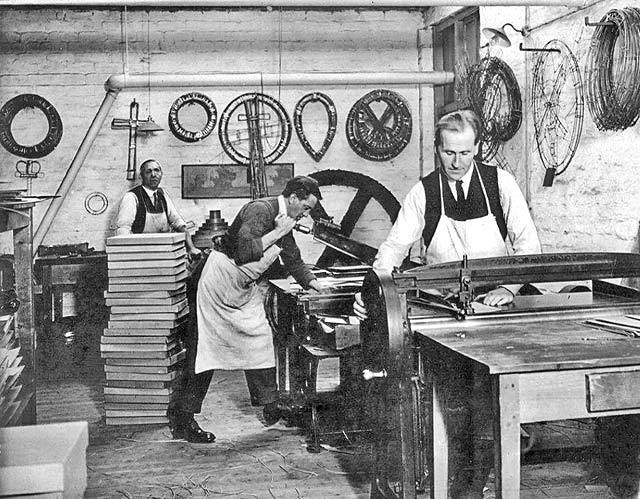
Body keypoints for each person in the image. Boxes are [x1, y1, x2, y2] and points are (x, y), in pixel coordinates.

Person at [353, 109, 541, 498]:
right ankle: (460, 479)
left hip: (494, 309)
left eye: (465, 153)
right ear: (437, 149)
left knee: (489, 402)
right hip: (444, 312)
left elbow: (529, 248)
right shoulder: (423, 192)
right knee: (453, 406)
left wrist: (508, 288)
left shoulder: (500, 184)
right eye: (449, 153)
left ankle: (479, 476)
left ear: (477, 148)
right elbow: (393, 249)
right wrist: (371, 289)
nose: (457, 163)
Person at [168, 175, 325, 443]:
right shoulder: (261, 210)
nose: (305, 215)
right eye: (305, 208)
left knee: (261, 338)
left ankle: (271, 406)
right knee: (205, 352)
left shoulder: (287, 221)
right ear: (293, 198)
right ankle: (183, 419)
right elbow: (243, 250)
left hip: (241, 288)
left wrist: (316, 285)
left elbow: (294, 262)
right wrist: (278, 232)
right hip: (217, 282)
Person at [115, 158, 201, 259]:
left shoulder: (163, 195)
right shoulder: (131, 197)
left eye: (157, 170)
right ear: (141, 176)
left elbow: (178, 222)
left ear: (161, 174)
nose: (153, 175)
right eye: (148, 171)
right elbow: (123, 230)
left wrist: (191, 248)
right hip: (142, 253)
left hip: (165, 251)